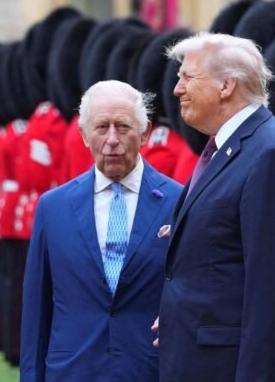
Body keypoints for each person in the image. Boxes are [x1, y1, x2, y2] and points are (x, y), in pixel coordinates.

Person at [157, 33, 275, 381]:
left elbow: (271, 292)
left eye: (187, 77)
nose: (176, 90)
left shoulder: (269, 154)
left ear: (227, 85)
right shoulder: (227, 149)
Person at [20, 80, 182, 382]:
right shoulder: (53, 207)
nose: (111, 139)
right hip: (72, 370)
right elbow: (36, 311)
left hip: (150, 370)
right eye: (101, 127)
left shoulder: (180, 203)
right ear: (83, 134)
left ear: (145, 132)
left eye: (122, 127)